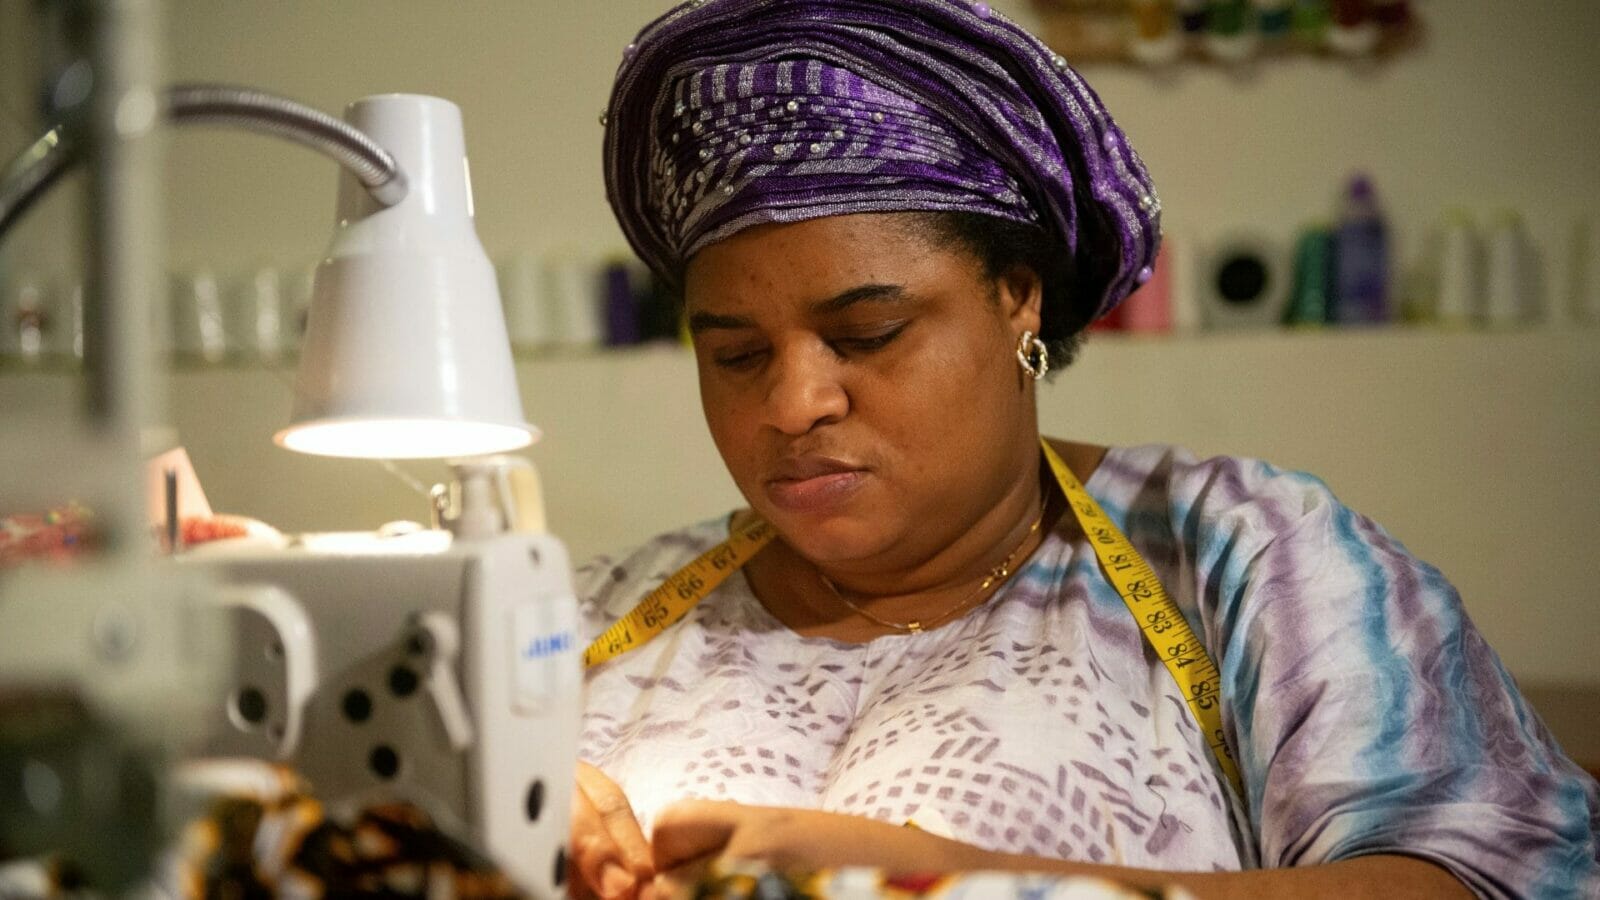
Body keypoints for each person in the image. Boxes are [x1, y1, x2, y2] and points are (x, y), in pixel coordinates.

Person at [568, 1, 1600, 898]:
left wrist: (961, 879)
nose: (794, 404)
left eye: (869, 334)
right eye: (737, 354)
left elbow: (1478, 881)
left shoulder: (1247, 561)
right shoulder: (583, 619)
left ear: (1016, 298)